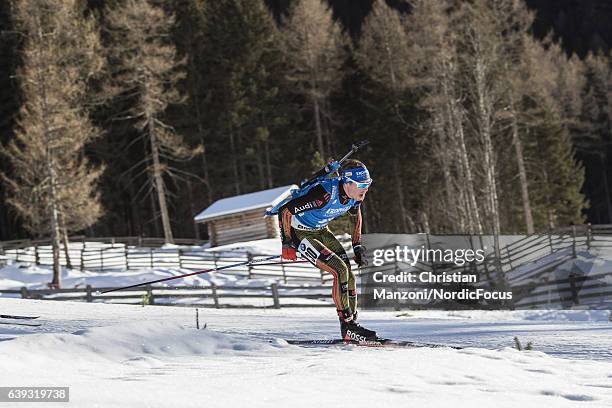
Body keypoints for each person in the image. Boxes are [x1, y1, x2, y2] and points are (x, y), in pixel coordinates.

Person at [277, 159, 377, 341]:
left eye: (368, 184)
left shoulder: (355, 197)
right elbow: (285, 211)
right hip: (301, 234)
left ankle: (352, 324)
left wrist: (357, 246)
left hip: (321, 231)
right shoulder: (322, 194)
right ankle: (347, 326)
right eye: (362, 184)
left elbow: (355, 218)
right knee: (339, 271)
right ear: (347, 182)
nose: (366, 189)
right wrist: (287, 243)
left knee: (349, 274)